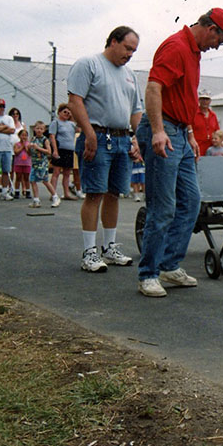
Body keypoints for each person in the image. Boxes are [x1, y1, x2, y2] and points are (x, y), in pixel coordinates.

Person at [137, 8, 223, 297]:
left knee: (191, 202)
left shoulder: (194, 52)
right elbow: (154, 88)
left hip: (179, 131)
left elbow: (186, 96)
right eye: (220, 40)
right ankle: (148, 274)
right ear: (211, 28)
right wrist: (158, 130)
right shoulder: (176, 47)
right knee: (163, 206)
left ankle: (169, 264)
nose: (217, 46)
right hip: (164, 129)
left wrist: (189, 132)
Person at [68, 25, 144, 274]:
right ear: (113, 41)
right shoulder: (88, 64)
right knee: (95, 194)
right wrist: (88, 133)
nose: (130, 54)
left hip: (122, 140)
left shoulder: (130, 74)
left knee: (114, 194)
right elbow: (75, 101)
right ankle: (89, 252)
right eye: (127, 48)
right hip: (98, 137)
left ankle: (109, 247)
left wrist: (138, 140)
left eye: (134, 50)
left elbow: (135, 111)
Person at [49, 104, 77, 203]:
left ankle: (66, 193)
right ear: (59, 112)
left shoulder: (72, 124)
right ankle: (53, 193)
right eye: (65, 112)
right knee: (56, 172)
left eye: (69, 112)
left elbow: (79, 130)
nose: (67, 114)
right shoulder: (56, 122)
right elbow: (52, 137)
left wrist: (73, 114)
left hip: (70, 150)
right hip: (60, 149)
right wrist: (55, 150)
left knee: (67, 173)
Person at [27, 121, 58, 208]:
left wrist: (38, 148)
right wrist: (28, 148)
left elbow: (49, 152)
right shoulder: (33, 139)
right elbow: (29, 153)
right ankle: (36, 199)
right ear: (34, 129)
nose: (39, 130)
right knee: (32, 180)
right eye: (37, 128)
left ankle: (55, 196)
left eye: (41, 129)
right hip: (34, 163)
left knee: (45, 181)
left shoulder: (45, 140)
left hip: (42, 164)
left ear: (44, 130)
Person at [191, 89, 220, 156]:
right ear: (199, 100)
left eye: (207, 99)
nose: (205, 101)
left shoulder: (213, 115)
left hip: (211, 150)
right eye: (202, 99)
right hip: (196, 148)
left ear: (210, 101)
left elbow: (217, 132)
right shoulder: (193, 114)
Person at [12, 129, 32, 199]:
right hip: (18, 163)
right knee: (18, 177)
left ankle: (28, 191)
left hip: (27, 163)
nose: (24, 137)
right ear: (19, 136)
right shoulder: (17, 144)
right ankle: (17, 191)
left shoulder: (29, 144)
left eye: (25, 135)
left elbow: (30, 153)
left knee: (27, 178)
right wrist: (22, 147)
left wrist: (26, 147)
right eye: (22, 135)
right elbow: (16, 152)